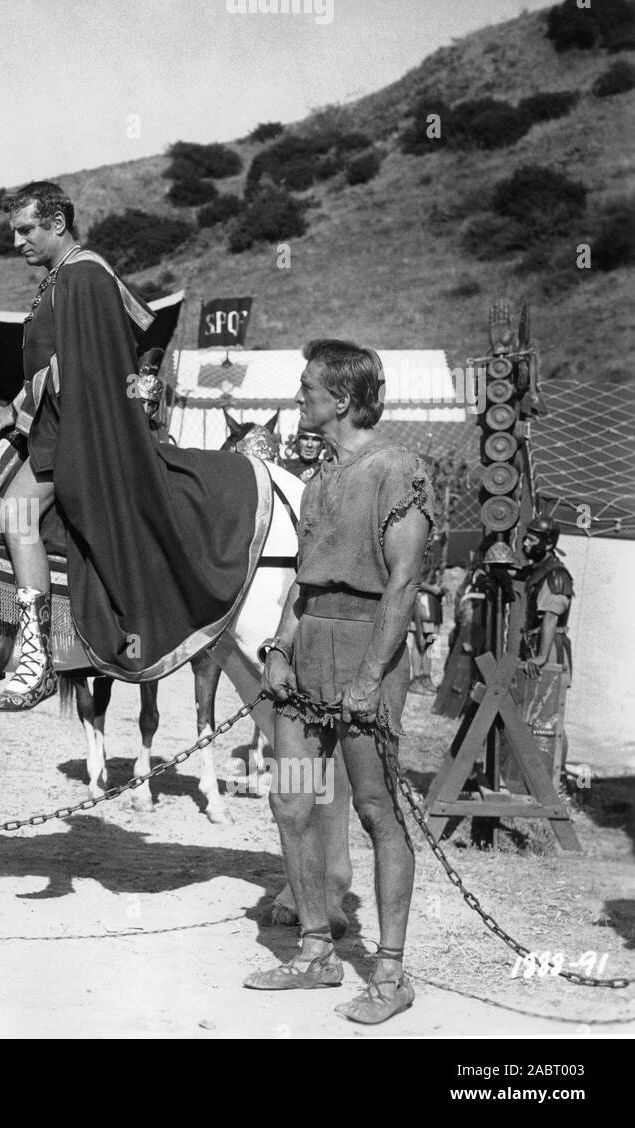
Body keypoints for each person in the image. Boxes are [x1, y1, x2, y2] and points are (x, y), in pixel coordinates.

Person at [0, 181, 260, 709]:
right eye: (14, 231)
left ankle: (36, 658)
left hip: (77, 435)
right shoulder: (64, 277)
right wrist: (13, 410)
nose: (17, 242)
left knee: (15, 511)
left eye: (26, 230)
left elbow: (82, 373)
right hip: (59, 425)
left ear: (57, 223)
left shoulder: (82, 277)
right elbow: (55, 367)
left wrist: (23, 415)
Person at [249, 339, 433, 1025]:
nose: (299, 399)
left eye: (306, 389)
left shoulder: (397, 469)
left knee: (377, 812)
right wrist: (277, 648)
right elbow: (303, 582)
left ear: (342, 400)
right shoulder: (321, 480)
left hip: (364, 656)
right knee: (292, 802)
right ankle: (316, 949)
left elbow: (405, 582)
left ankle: (390, 973)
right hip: (307, 661)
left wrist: (370, 677)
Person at [517, 514, 573, 776]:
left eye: (532, 538)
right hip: (538, 644)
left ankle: (554, 775)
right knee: (537, 713)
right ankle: (536, 773)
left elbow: (551, 618)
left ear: (547, 544)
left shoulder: (556, 575)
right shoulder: (540, 569)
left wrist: (541, 656)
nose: (526, 543)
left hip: (550, 649)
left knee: (551, 715)